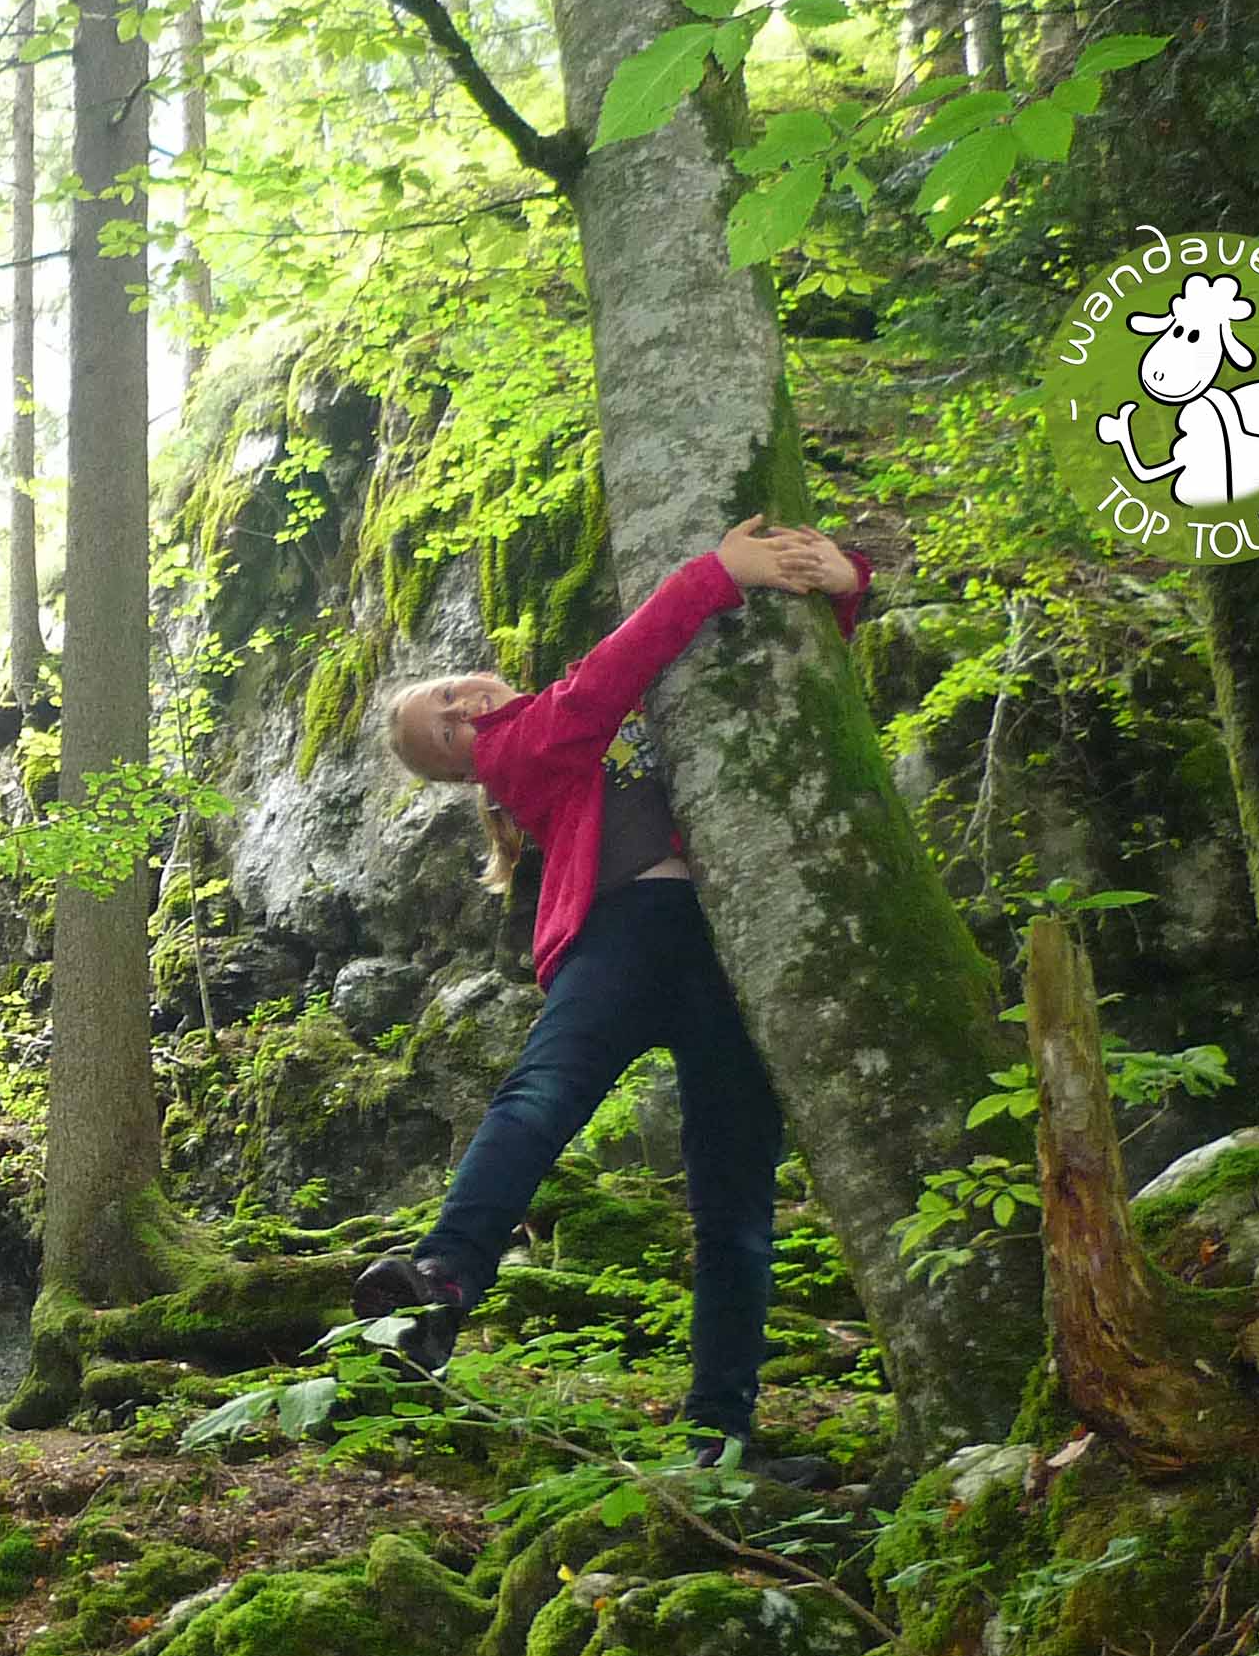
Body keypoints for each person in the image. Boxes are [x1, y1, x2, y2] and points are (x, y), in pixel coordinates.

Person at [354, 514, 872, 1475]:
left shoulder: (590, 707)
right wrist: (713, 569)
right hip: (625, 935)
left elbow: (770, 703)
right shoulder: (519, 748)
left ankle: (719, 1440)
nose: (464, 706)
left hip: (726, 951)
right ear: (465, 764)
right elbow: (603, 682)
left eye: (450, 692)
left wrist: (845, 588)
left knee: (736, 1199)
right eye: (445, 728)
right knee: (539, 1098)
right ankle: (442, 1277)